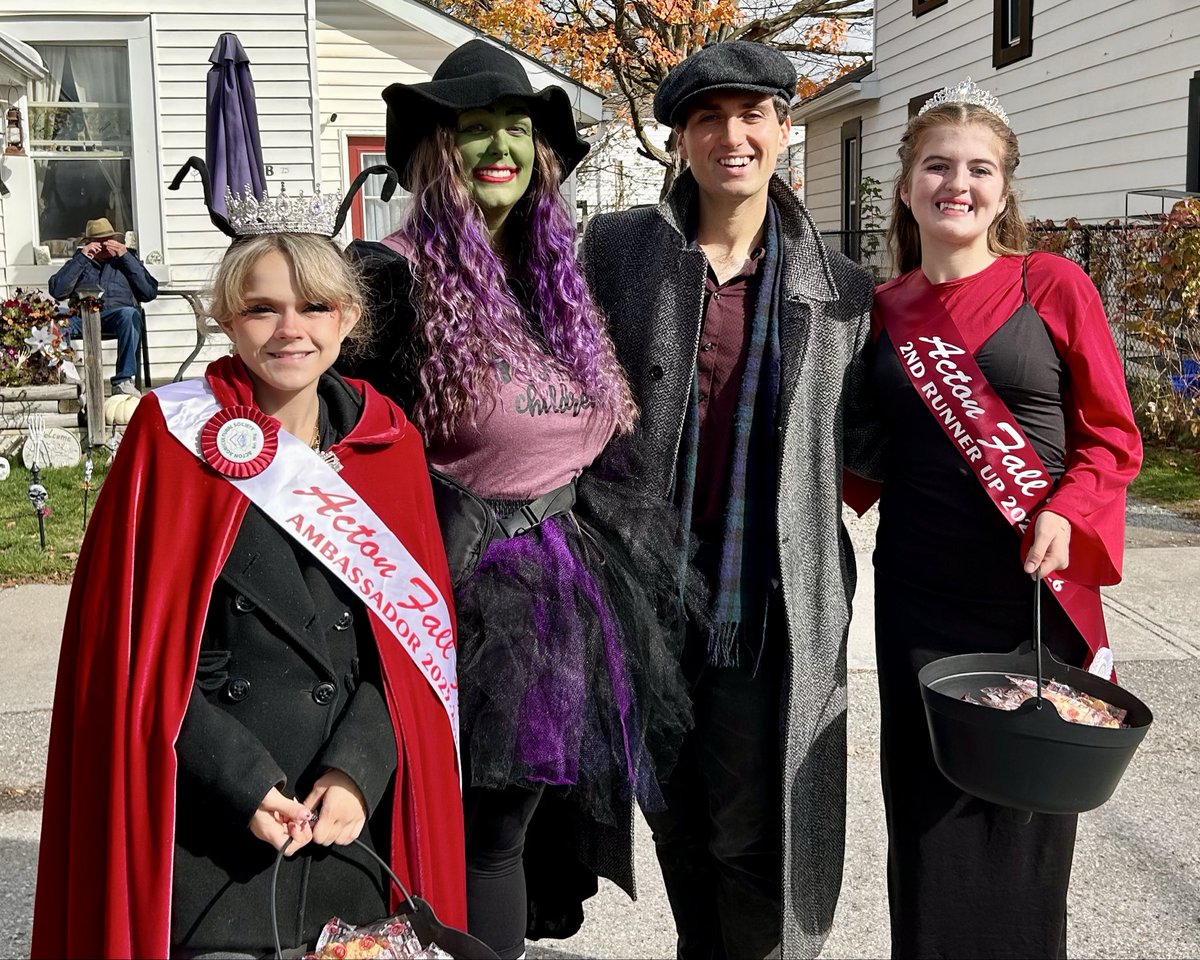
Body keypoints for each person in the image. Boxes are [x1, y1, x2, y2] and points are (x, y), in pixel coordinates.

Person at [31, 172, 466, 958]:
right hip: (211, 822)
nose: (289, 329)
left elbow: (411, 655)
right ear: (227, 317)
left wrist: (358, 768)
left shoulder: (388, 441)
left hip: (348, 818)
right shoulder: (172, 437)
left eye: (314, 307)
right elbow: (129, 657)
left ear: (351, 319)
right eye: (263, 307)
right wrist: (241, 778)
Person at [340, 39, 694, 960]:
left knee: (514, 834)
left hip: (564, 588)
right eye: (474, 128)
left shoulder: (556, 280)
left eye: (517, 127)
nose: (499, 146)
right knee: (475, 833)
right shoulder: (388, 281)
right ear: (434, 151)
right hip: (452, 599)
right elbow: (333, 453)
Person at [581, 40, 881, 960]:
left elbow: (879, 440)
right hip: (648, 589)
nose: (731, 134)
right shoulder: (619, 251)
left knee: (750, 828)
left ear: (785, 132)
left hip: (765, 600)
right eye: (708, 116)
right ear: (680, 138)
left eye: (752, 114)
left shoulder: (841, 293)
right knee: (671, 809)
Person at [862, 79, 1142, 958]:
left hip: (1031, 593)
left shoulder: (1049, 283)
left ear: (1005, 189)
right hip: (917, 596)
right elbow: (856, 455)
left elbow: (1112, 437)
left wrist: (1069, 507)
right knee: (926, 812)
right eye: (937, 165)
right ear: (907, 184)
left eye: (980, 169)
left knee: (1025, 819)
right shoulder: (883, 312)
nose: (959, 183)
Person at [48, 216, 158, 397]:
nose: (105, 245)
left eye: (108, 240)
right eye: (99, 242)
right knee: (55, 318)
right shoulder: (79, 260)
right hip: (81, 316)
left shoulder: (127, 259)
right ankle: (67, 376)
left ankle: (123, 382)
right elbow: (58, 291)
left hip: (116, 316)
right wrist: (82, 258)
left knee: (131, 315)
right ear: (90, 243)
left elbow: (149, 292)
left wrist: (126, 257)